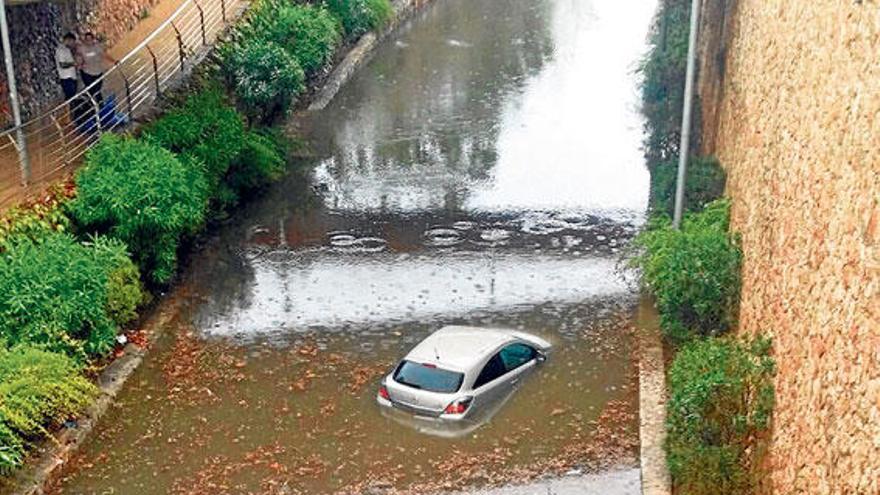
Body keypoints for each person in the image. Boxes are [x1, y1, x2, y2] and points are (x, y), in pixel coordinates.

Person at [76, 31, 117, 105]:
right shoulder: (82, 48)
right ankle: (92, 105)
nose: (88, 42)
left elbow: (105, 55)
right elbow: (79, 58)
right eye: (86, 40)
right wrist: (79, 64)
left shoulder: (97, 47)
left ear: (93, 39)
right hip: (87, 73)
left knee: (97, 89)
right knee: (91, 90)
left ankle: (99, 105)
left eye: (90, 39)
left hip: (98, 72)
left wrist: (114, 61)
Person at [55, 32, 78, 101]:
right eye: (73, 42)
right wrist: (73, 64)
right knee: (70, 98)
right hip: (66, 78)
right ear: (68, 40)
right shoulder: (61, 50)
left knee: (73, 97)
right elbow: (62, 65)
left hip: (71, 77)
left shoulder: (67, 49)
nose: (73, 44)